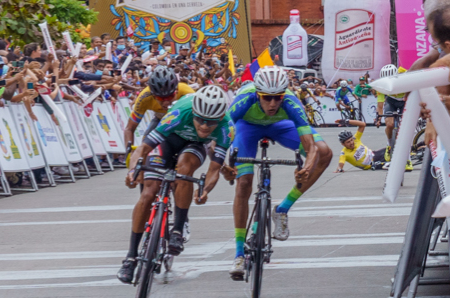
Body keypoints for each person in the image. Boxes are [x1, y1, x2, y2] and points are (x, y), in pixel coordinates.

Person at [117, 85, 232, 283]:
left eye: (210, 122)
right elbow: (142, 149)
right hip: (168, 139)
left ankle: (177, 229)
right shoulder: (180, 112)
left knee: (185, 170)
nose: (204, 126)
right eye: (200, 120)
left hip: (194, 147)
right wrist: (132, 171)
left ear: (220, 118)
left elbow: (214, 170)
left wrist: (205, 190)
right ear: (194, 112)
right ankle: (130, 257)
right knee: (148, 191)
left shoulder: (227, 128)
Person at [227, 66, 332, 279]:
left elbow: (311, 147)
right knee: (244, 182)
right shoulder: (243, 99)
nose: (273, 103)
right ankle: (239, 254)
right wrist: (224, 162)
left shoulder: (292, 103)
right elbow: (224, 133)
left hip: (281, 125)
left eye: (278, 98)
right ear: (258, 94)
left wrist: (306, 167)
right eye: (267, 98)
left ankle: (282, 209)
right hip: (247, 127)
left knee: (324, 152)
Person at [121, 65, 194, 153]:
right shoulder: (144, 97)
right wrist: (129, 153)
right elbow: (129, 128)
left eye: (170, 96)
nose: (166, 102)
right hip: (160, 119)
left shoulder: (186, 91)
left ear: (177, 91)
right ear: (153, 95)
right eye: (160, 98)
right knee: (143, 149)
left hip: (183, 122)